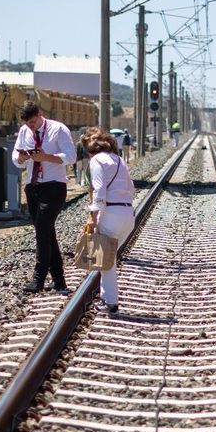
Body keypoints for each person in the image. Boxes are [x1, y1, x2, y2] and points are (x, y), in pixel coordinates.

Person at [12, 100, 76, 294]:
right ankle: (59, 280)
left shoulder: (59, 130)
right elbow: (16, 157)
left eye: (32, 122)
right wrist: (21, 158)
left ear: (40, 114)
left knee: (42, 230)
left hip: (54, 186)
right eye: (27, 123)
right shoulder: (24, 132)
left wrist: (46, 157)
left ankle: (38, 279)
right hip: (33, 187)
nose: (30, 126)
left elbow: (71, 156)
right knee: (47, 233)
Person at [82, 131, 135, 315]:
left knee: (106, 262)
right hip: (127, 214)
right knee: (109, 261)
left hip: (110, 214)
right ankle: (108, 300)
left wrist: (93, 217)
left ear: (91, 150)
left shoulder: (96, 161)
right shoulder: (119, 160)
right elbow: (131, 188)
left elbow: (99, 191)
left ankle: (110, 302)